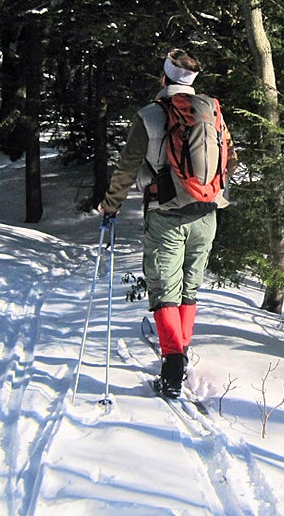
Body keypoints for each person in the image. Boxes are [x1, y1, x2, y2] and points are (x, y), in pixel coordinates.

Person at [98, 48, 237, 398]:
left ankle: (173, 368)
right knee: (189, 289)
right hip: (207, 212)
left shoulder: (150, 115)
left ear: (164, 78)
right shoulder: (213, 114)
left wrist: (110, 206)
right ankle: (181, 352)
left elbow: (127, 168)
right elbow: (231, 160)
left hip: (166, 214)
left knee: (164, 291)